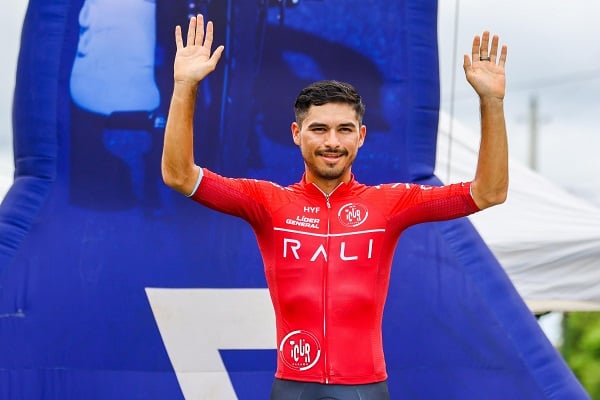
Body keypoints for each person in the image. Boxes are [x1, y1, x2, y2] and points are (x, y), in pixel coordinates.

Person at [161, 14, 508, 400]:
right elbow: (179, 175)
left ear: (361, 137)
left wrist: (491, 102)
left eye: (344, 129)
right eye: (319, 129)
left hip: (365, 389)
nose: (332, 141)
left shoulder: (390, 203)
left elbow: (489, 192)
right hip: (293, 388)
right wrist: (184, 86)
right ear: (297, 134)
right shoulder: (267, 202)